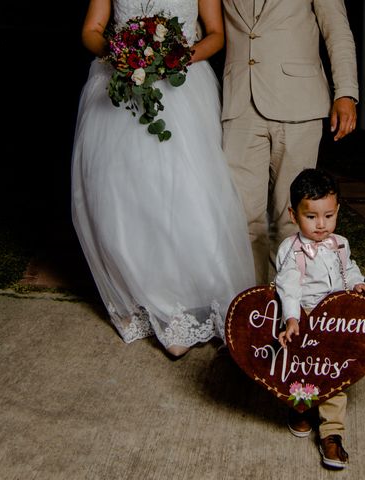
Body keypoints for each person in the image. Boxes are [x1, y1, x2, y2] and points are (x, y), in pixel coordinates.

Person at [71, 0, 255, 357]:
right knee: (126, 198)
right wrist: (122, 54)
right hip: (121, 90)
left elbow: (216, 35)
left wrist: (176, 58)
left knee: (185, 194)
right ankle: (148, 301)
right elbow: (91, 31)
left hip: (182, 88)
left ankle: (187, 304)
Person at [221, 0, 359, 284]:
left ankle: (288, 304)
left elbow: (337, 29)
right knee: (241, 218)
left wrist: (345, 91)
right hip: (239, 105)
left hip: (300, 103)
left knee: (293, 218)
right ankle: (252, 307)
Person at [274, 168, 365, 470]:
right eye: (312, 217)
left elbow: (349, 267)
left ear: (337, 211)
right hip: (304, 316)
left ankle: (332, 433)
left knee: (333, 373)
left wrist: (359, 282)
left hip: (335, 318)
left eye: (329, 216)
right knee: (304, 369)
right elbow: (288, 287)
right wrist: (292, 319)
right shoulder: (291, 251)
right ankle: (301, 409)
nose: (321, 225)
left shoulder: (340, 243)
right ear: (293, 214)